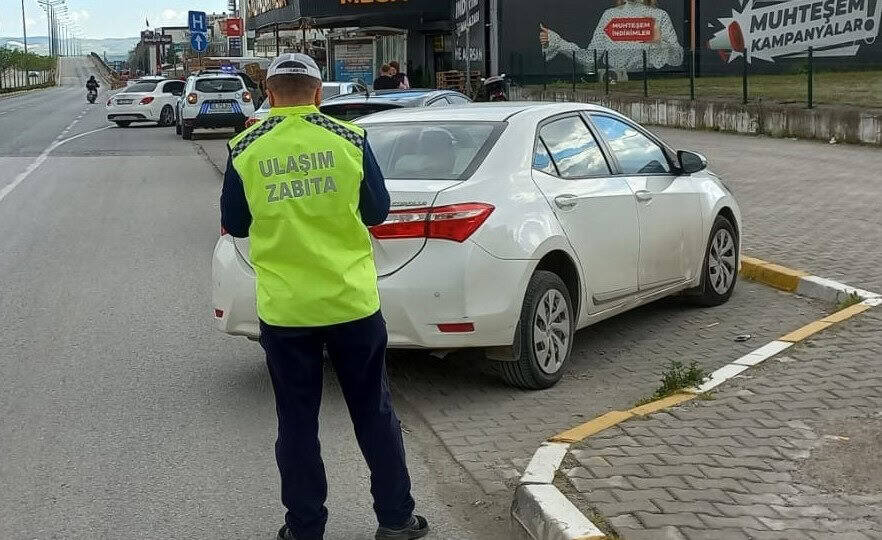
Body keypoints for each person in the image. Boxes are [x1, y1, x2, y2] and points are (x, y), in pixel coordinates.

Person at [220, 53, 429, 540]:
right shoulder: (350, 139)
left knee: (296, 422)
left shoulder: (245, 146)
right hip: (351, 303)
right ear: (318, 95)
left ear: (269, 97)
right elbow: (377, 211)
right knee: (374, 412)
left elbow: (237, 222)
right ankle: (396, 519)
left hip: (286, 309)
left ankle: (305, 528)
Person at [539, 0, 683, 82]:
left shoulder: (659, 16)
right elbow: (590, 58)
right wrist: (557, 42)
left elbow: (677, 58)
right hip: (613, 83)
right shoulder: (609, 15)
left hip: (649, 84)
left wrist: (656, 42)